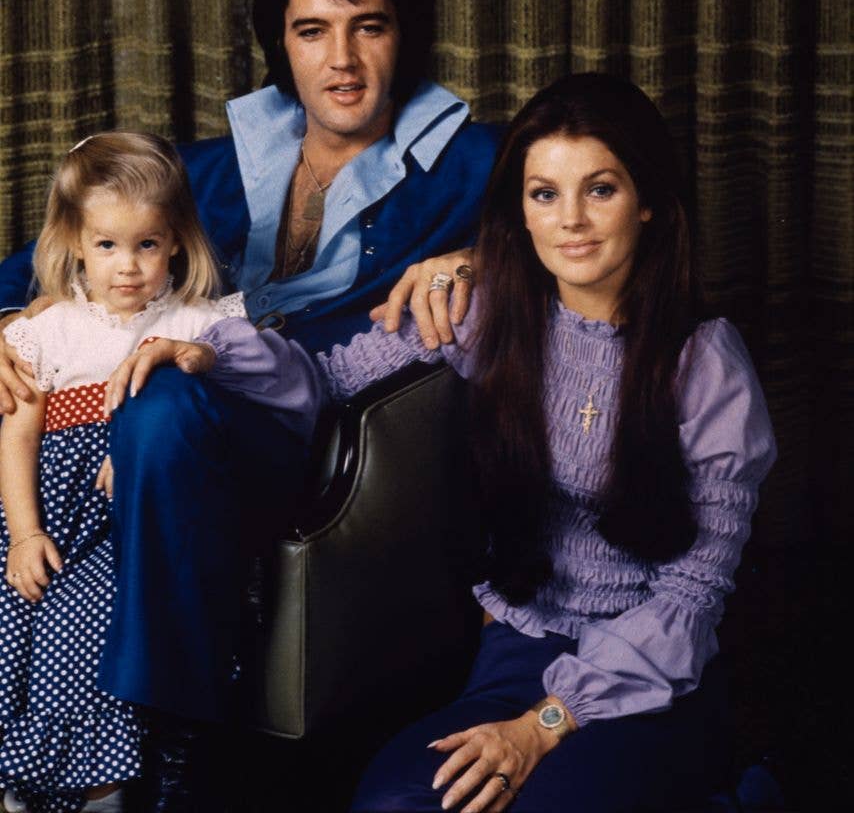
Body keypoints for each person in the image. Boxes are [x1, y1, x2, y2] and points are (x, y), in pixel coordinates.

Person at [137, 72, 776, 811]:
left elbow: (692, 599)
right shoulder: (484, 314)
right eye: (545, 194)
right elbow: (326, 384)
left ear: (652, 204)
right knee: (390, 806)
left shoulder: (708, 364)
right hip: (515, 652)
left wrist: (542, 727)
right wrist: (203, 349)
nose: (571, 220)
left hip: (656, 677)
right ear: (520, 212)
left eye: (600, 189)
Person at [0, 0, 498, 808]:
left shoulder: (468, 163)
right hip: (170, 430)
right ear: (282, 42)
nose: (341, 61)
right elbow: (52, 250)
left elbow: (575, 229)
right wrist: (5, 323)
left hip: (323, 430)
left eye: (368, 27)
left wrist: (478, 259)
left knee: (156, 403)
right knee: (130, 401)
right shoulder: (216, 166)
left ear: (405, 34)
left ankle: (168, 746)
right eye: (313, 31)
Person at [0, 134, 317, 813]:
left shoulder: (201, 322)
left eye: (147, 244)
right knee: (15, 619)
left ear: (176, 241)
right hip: (48, 514)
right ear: (74, 242)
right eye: (107, 245)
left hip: (134, 524)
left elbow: (229, 412)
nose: (127, 267)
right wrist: (25, 534)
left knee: (87, 631)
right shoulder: (47, 328)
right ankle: (23, 780)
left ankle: (101, 788)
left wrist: (142, 442)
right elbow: (18, 430)